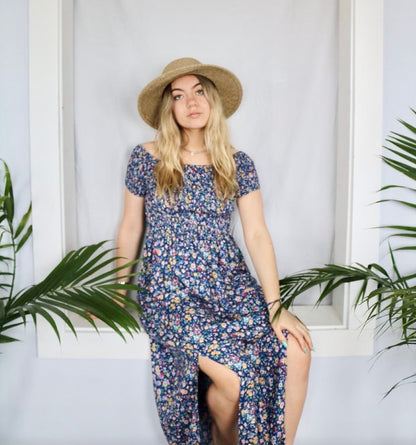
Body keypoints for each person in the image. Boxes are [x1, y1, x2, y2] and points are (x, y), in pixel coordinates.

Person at [116, 57, 312, 445]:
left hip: (229, 286)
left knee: (297, 351)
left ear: (213, 100)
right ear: (169, 107)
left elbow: (257, 234)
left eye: (199, 92)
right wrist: (116, 293)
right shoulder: (147, 157)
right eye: (179, 95)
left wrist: (276, 307)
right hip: (170, 293)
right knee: (234, 378)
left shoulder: (238, 163)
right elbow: (130, 228)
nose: (191, 102)